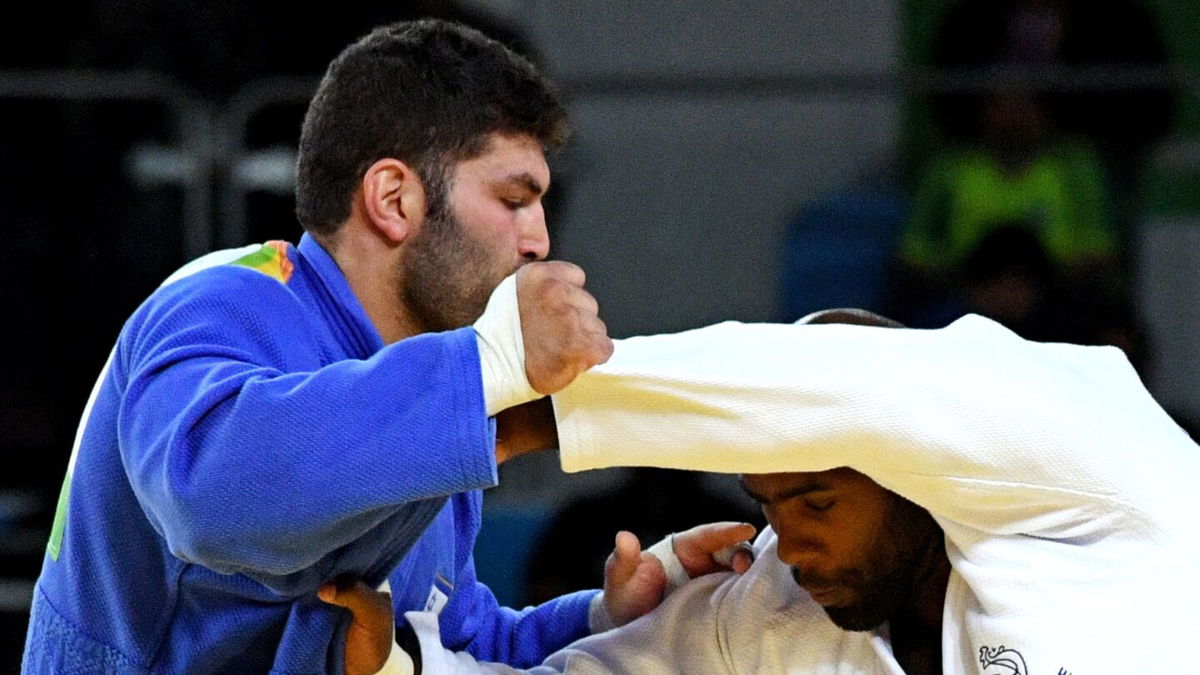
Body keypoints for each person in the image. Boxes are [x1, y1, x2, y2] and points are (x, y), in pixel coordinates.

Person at [22, 20, 753, 674]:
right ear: (395, 199)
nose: (539, 240)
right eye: (513, 199)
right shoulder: (227, 298)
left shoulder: (437, 391)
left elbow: (454, 644)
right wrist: (486, 371)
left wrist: (609, 619)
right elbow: (208, 496)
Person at [331, 307, 1200, 672]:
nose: (793, 536)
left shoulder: (1095, 472)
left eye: (817, 499)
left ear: (912, 470)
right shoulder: (784, 598)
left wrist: (522, 417)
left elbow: (874, 387)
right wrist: (396, 665)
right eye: (769, 501)